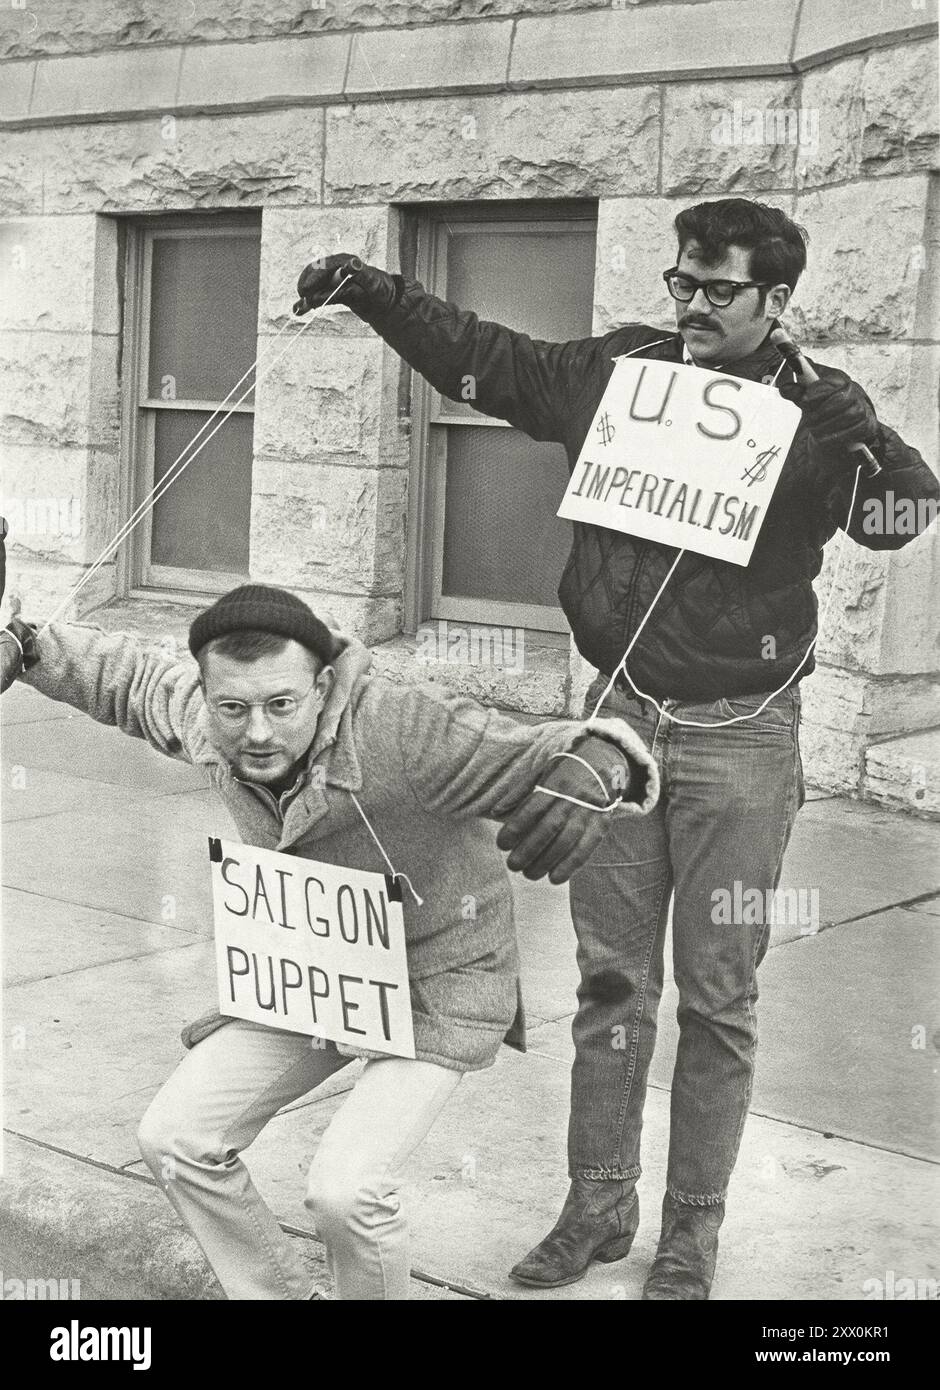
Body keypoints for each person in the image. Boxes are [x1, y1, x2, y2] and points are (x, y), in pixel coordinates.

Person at [294, 197, 939, 1299]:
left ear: (777, 299)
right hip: (617, 723)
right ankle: (597, 1205)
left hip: (743, 738)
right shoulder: (622, 373)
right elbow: (490, 362)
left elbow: (897, 522)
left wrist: (866, 444)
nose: (692, 305)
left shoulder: (815, 407)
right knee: (609, 979)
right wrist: (374, 293)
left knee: (718, 996)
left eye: (719, 290)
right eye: (682, 283)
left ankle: (691, 1232)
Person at [0, 582, 658, 1300]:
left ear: (320, 689)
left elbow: (538, 749)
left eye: (281, 705)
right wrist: (27, 644)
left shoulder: (404, 728)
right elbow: (126, 678)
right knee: (176, 1138)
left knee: (346, 1192)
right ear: (208, 697)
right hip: (309, 977)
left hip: (434, 984)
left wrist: (601, 763)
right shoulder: (206, 721)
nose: (257, 732)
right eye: (234, 707)